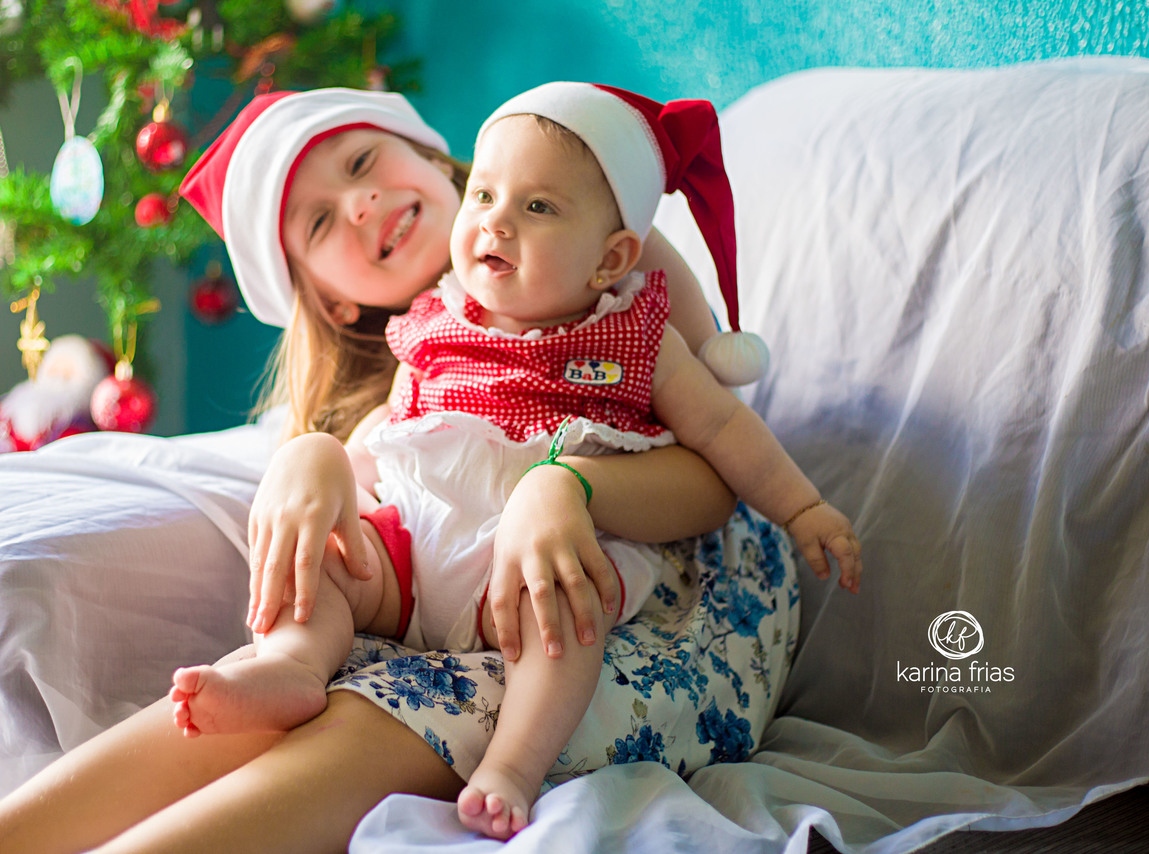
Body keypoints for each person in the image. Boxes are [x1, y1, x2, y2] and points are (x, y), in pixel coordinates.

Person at [0, 86, 820, 853]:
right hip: (455, 590)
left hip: (657, 595)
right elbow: (377, 476)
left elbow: (714, 466)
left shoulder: (600, 244)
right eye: (319, 224)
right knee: (263, 685)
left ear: (434, 158)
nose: (358, 205)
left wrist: (564, 485)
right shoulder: (420, 357)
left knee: (380, 711)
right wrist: (309, 459)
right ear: (330, 301)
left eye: (360, 163)